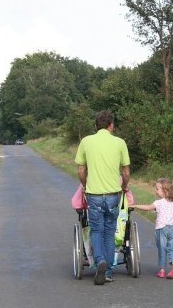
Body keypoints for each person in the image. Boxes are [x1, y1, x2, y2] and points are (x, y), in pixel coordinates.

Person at [74, 110, 131, 285]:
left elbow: (81, 170)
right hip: (113, 194)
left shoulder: (86, 141)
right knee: (109, 231)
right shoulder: (120, 143)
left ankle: (100, 261)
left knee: (96, 230)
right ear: (111, 125)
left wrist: (84, 185)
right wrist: (123, 187)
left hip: (94, 195)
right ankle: (108, 272)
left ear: (96, 125)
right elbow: (126, 172)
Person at [134, 178, 173, 279]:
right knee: (172, 248)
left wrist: (135, 206)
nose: (156, 191)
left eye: (157, 189)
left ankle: (162, 271)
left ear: (166, 191)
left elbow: (148, 207)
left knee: (162, 249)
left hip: (162, 229)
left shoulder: (159, 202)